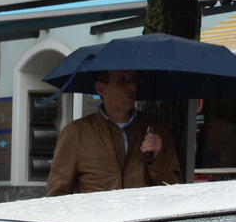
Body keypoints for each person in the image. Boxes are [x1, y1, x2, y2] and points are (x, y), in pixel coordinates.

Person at [45, 70, 182, 195]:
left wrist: (157, 160)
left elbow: (174, 189)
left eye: (135, 80)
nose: (132, 87)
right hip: (98, 215)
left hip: (142, 214)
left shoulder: (155, 129)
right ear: (100, 88)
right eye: (123, 81)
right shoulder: (75, 134)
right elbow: (57, 195)